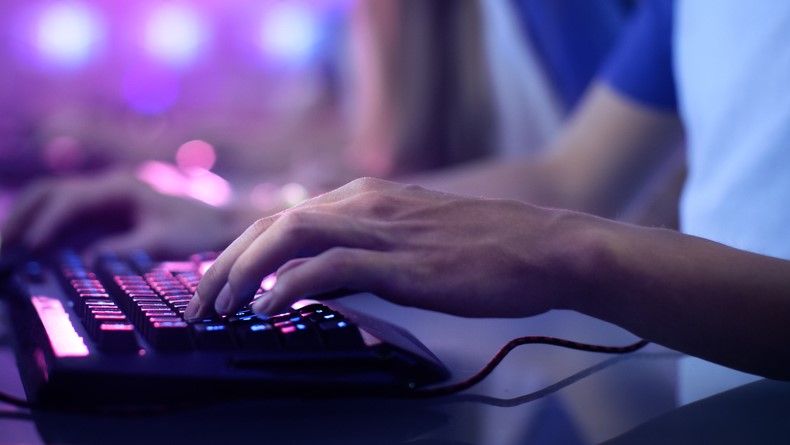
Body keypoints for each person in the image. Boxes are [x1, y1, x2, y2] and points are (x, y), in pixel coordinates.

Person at [4, 0, 790, 387]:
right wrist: (249, 218)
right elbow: (569, 176)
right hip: (709, 395)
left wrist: (568, 252)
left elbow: (568, 213)